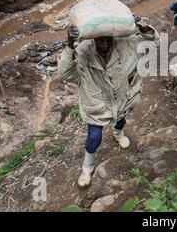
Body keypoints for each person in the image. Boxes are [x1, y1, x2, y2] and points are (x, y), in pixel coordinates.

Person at [58, 14, 159, 187]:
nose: (104, 44)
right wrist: (69, 45)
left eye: (108, 40)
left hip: (120, 100)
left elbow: (153, 44)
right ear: (93, 40)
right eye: (100, 41)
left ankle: (118, 133)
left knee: (121, 120)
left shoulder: (126, 45)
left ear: (113, 38)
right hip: (96, 105)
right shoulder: (82, 53)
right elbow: (65, 73)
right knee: (94, 137)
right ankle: (87, 167)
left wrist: (142, 27)